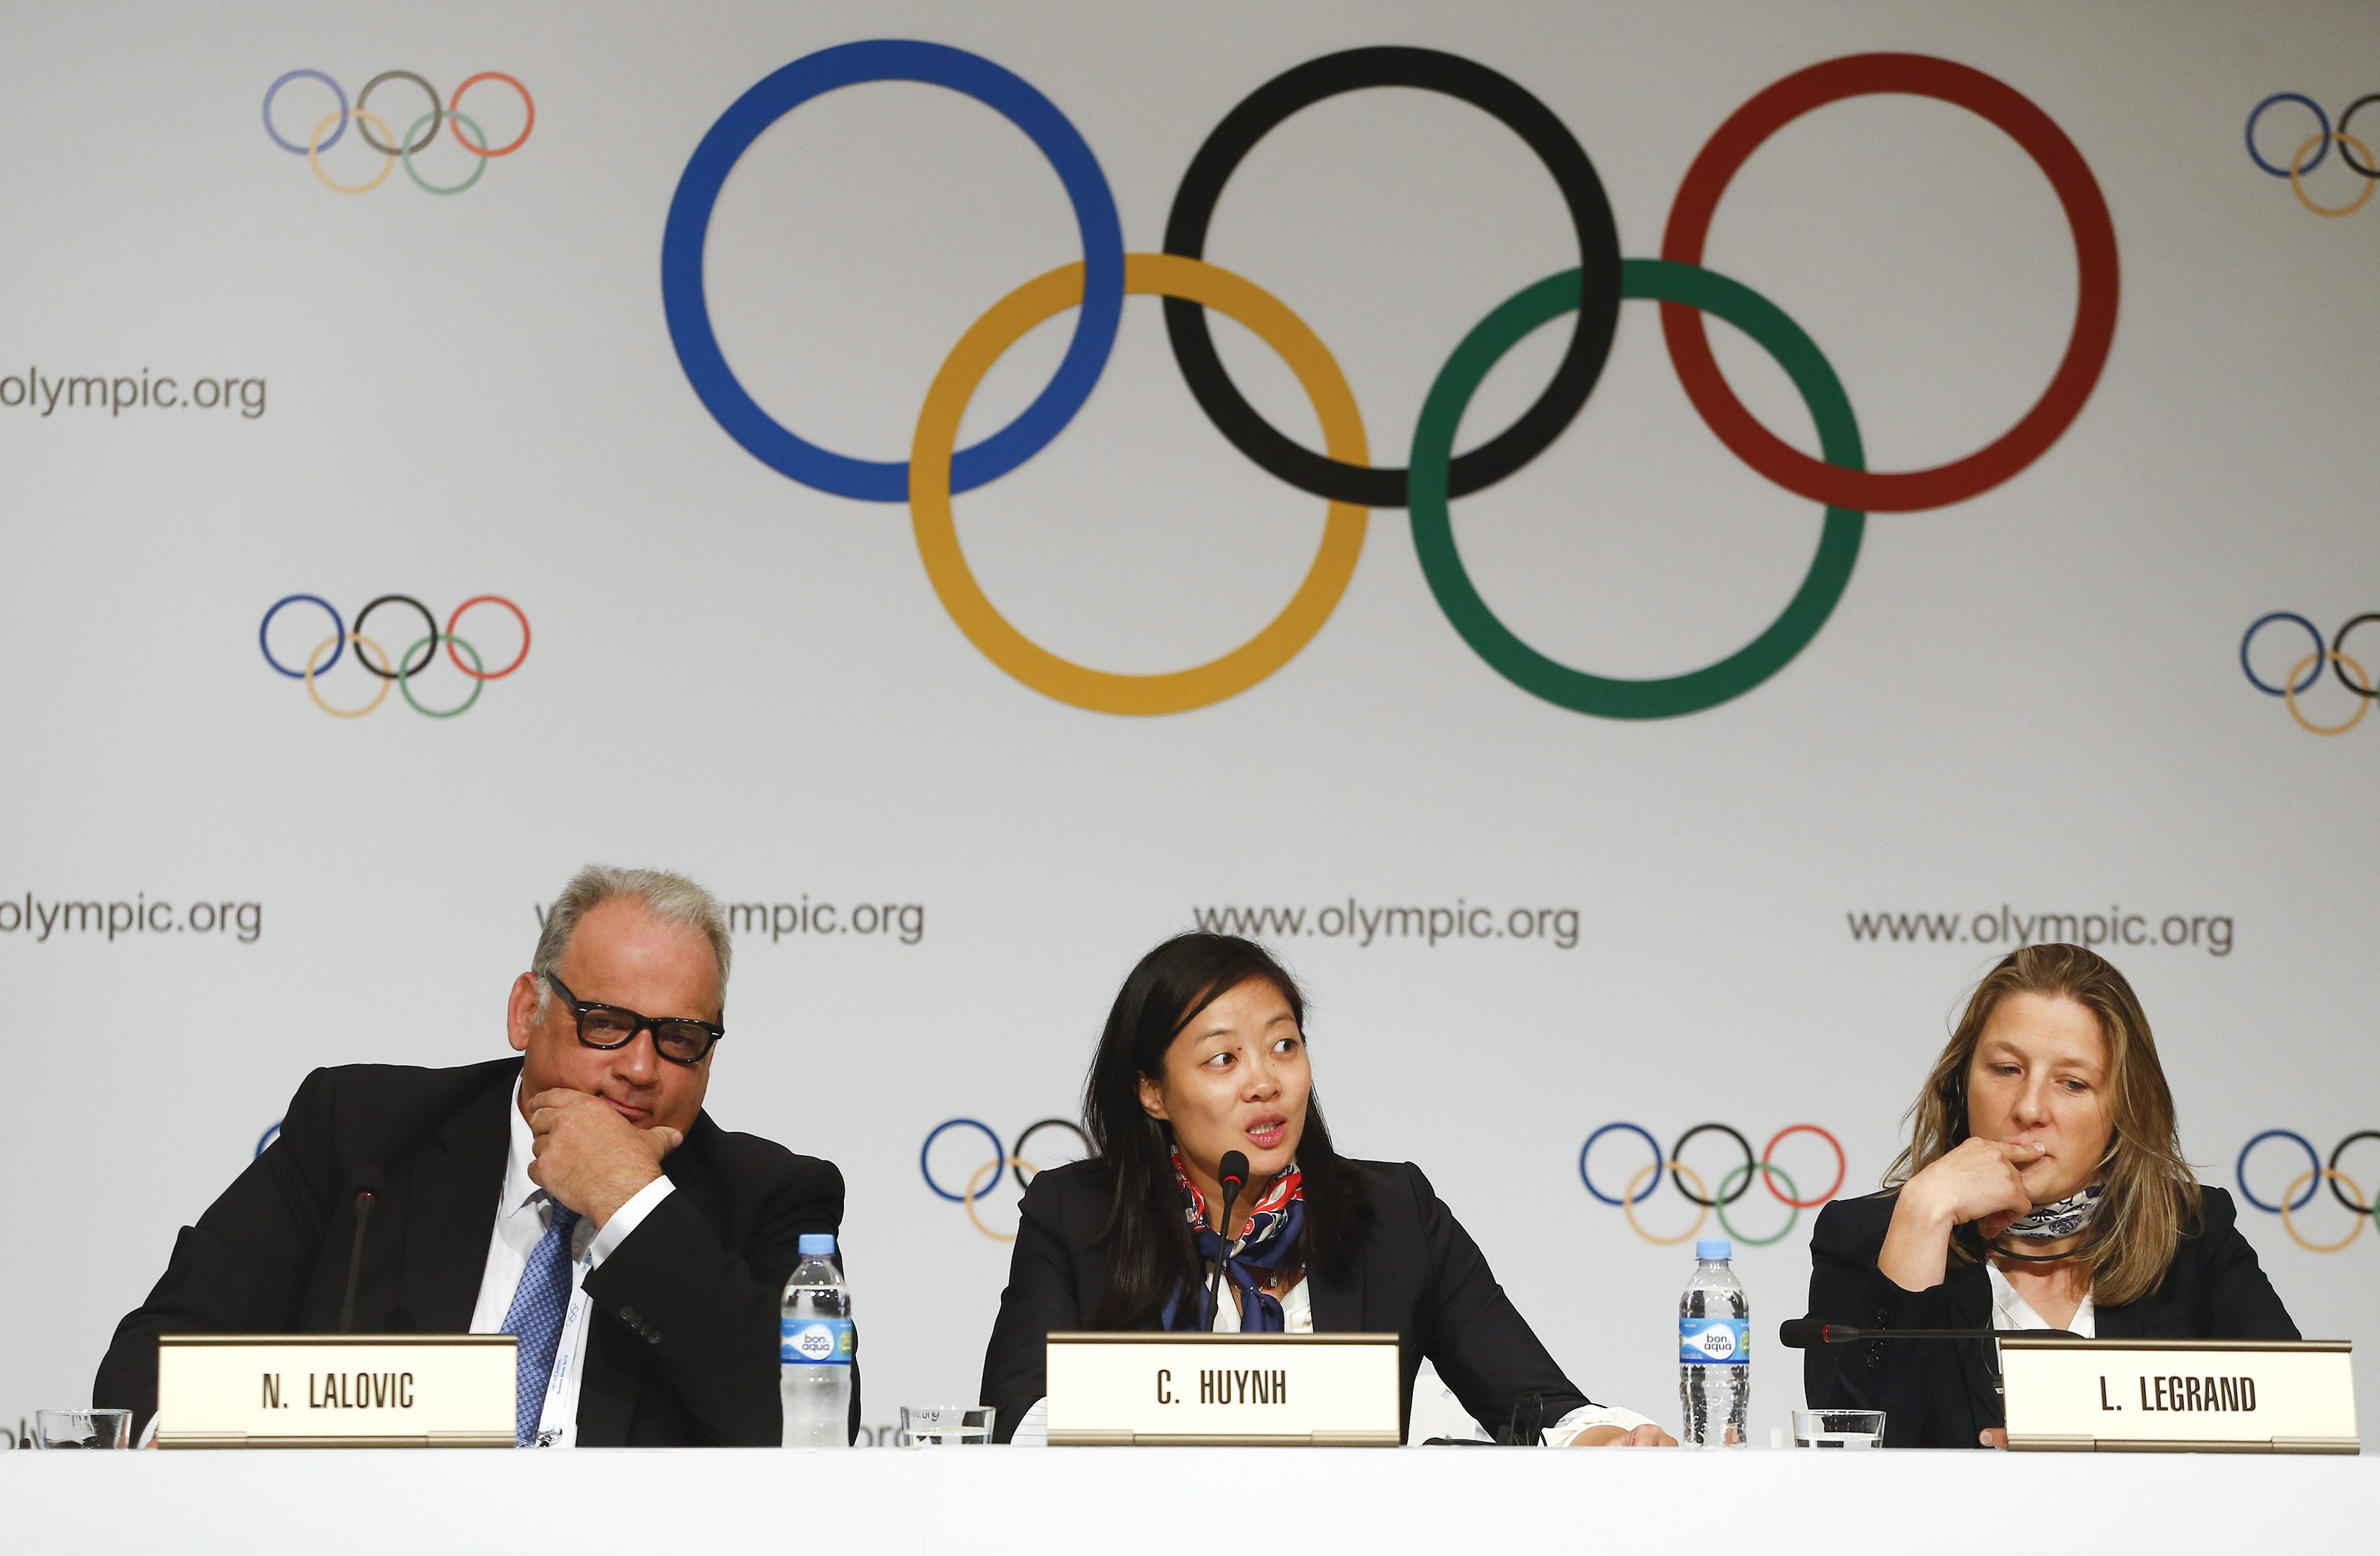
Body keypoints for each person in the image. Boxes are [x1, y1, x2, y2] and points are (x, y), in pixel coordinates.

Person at [94, 865, 851, 1447]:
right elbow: (152, 1366)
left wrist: (631, 1202)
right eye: (607, 1023)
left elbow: (818, 1430)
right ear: (529, 1010)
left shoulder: (767, 1197)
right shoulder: (362, 1137)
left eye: (680, 1037)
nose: (642, 1068)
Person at [981, 932, 1672, 1446]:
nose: (1265, 1082)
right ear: (1153, 1091)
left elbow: (1537, 1402)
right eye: (1223, 1059)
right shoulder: (1076, 1215)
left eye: (1284, 1045)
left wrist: (1604, 1439)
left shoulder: (1395, 1214)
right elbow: (1015, 1421)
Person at [1804, 943, 2297, 1448]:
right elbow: (1845, 1463)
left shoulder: (2191, 1232)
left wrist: (2097, 1437)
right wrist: (1922, 1218)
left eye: (2072, 1083)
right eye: (2006, 1070)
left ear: (2124, 1107)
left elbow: (2298, 1417)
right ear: (1960, 1082)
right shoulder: (1867, 1237)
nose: (2030, 1108)